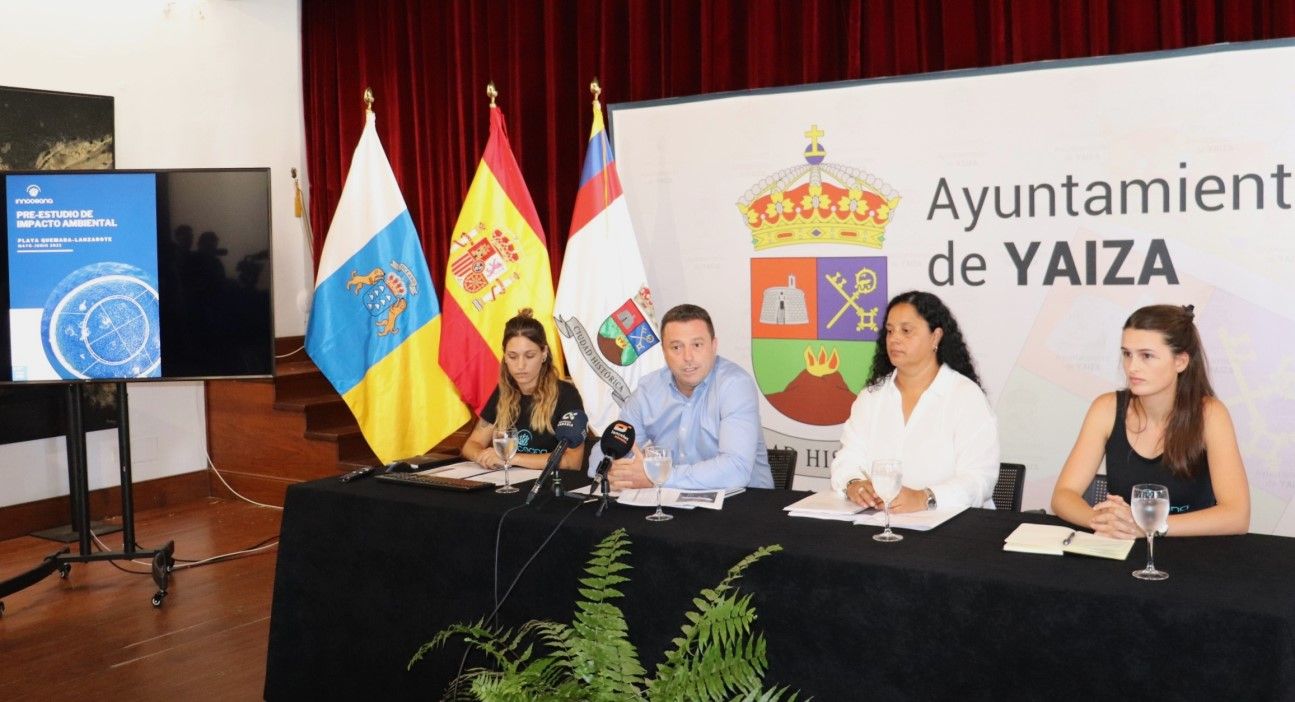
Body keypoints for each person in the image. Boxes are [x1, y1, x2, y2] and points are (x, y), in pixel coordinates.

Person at [1051, 304, 1249, 537]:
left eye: (1146, 356)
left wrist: (1150, 525)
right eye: (1127, 354)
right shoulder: (1105, 409)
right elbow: (1063, 495)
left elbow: (1237, 516)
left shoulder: (1211, 414)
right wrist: (1101, 520)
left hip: (1194, 556)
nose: (1132, 367)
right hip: (1122, 549)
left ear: (1181, 362)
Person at [830, 291, 999, 512]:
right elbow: (848, 457)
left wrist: (924, 498)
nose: (894, 339)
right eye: (890, 331)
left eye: (906, 331)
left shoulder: (965, 396)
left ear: (935, 337)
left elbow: (979, 479)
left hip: (954, 527)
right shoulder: (872, 396)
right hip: (880, 522)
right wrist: (854, 484)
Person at [591, 303, 774, 491]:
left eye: (697, 345)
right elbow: (603, 452)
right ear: (664, 351)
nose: (688, 357)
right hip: (675, 505)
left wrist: (657, 476)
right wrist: (615, 470)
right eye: (676, 347)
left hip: (744, 506)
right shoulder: (648, 390)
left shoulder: (734, 385)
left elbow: (736, 469)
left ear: (714, 346)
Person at [462, 309, 586, 471]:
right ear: (505, 357)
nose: (520, 365)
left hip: (547, 486)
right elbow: (471, 444)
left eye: (529, 356)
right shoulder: (503, 392)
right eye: (513, 357)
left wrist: (512, 458)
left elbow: (571, 461)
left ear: (544, 353)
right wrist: (482, 456)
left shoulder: (566, 394)